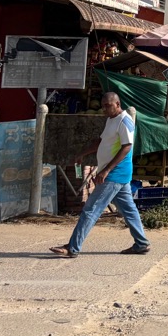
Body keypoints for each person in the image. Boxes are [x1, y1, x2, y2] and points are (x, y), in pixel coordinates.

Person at [50, 92, 149, 258]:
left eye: (108, 106)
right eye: (103, 105)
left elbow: (126, 147)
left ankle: (73, 248)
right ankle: (142, 243)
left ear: (117, 104)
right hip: (118, 176)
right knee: (129, 210)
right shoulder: (111, 120)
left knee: (91, 209)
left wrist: (106, 170)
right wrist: (82, 153)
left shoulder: (125, 121)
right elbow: (101, 142)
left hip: (115, 175)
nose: (104, 109)